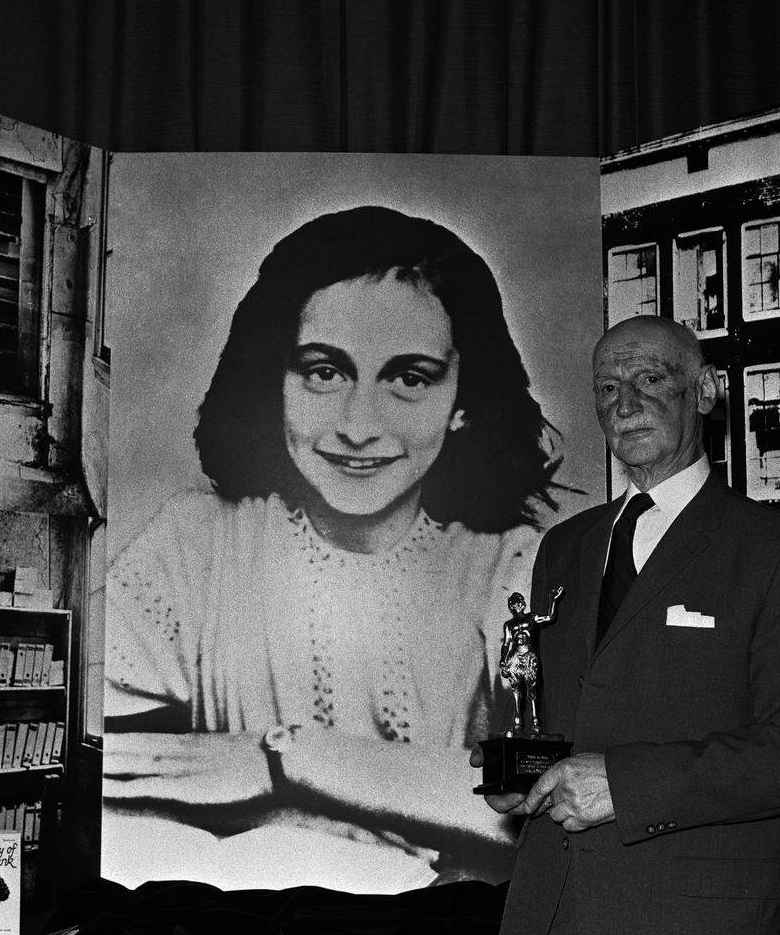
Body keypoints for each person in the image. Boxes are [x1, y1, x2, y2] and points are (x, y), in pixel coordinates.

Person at [103, 205, 563, 887]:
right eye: (324, 371)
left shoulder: (519, 565)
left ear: (463, 399)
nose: (357, 425)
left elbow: (546, 792)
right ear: (277, 383)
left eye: (409, 378)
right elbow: (114, 778)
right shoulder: (194, 543)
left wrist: (291, 761)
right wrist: (293, 826)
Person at [478, 315, 780, 935]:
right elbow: (569, 717)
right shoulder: (563, 548)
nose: (624, 404)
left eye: (650, 379)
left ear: (707, 391)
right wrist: (521, 775)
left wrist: (623, 785)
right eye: (606, 388)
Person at [499, 587, 563, 736]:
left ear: (523, 604)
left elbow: (550, 617)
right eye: (512, 604)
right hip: (515, 658)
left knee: (532, 692)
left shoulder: (531, 618)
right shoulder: (509, 625)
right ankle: (517, 725)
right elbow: (506, 644)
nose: (515, 606)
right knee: (516, 692)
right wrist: (503, 661)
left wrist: (553, 600)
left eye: (517, 603)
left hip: (530, 658)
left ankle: (535, 724)